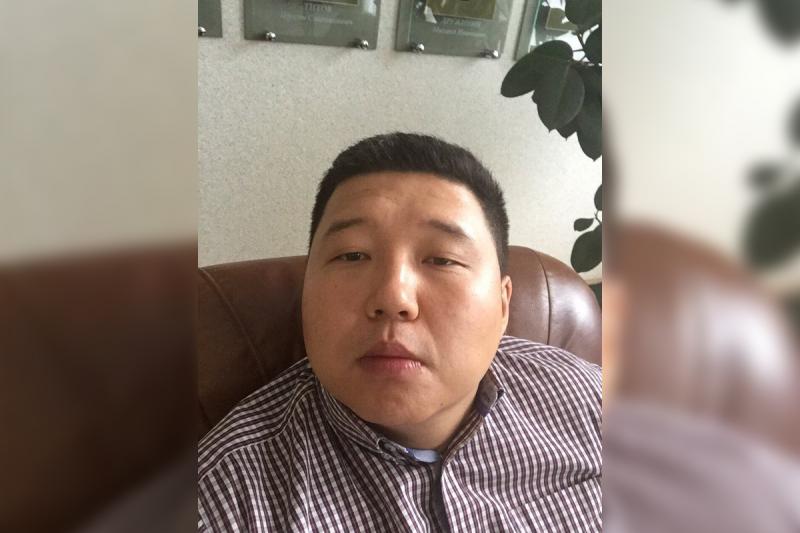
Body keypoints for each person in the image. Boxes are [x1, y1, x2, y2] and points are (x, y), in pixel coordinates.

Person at [197, 133, 601, 532]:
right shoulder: (223, 503)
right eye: (352, 255)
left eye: (442, 259)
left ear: (502, 303)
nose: (394, 298)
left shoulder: (594, 405)